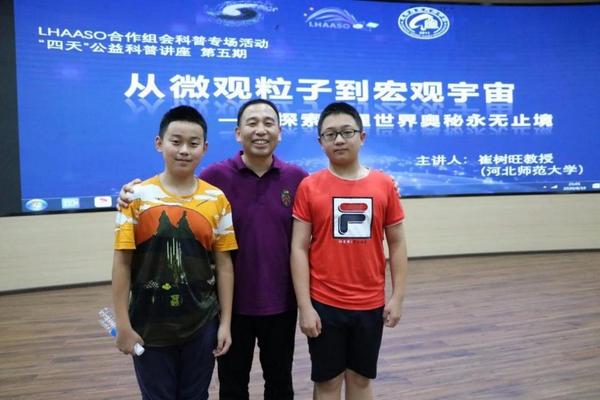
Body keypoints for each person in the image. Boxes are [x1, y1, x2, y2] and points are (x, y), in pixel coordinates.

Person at [117, 99, 308, 400]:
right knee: (232, 387)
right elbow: (178, 189)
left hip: (281, 304)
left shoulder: (298, 178)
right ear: (237, 133)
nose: (260, 130)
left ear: (280, 132)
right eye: (252, 123)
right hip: (226, 306)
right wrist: (129, 195)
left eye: (268, 123)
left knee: (281, 384)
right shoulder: (214, 178)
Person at [112, 105, 236, 400]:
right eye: (176, 141)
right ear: (159, 143)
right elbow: (122, 263)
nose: (184, 150)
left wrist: (225, 324)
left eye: (193, 143)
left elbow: (224, 265)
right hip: (149, 324)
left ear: (204, 148)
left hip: (201, 323)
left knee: (197, 395)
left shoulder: (217, 199)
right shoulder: (135, 197)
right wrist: (123, 325)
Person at [290, 102, 408, 400]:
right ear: (321, 142)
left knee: (360, 380)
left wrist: (397, 297)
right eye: (330, 134)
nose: (339, 140)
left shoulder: (384, 185)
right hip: (324, 303)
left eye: (347, 132)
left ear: (362, 137)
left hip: (370, 304)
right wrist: (305, 307)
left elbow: (397, 243)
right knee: (328, 383)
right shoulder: (309, 186)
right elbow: (299, 248)